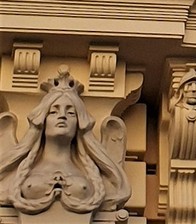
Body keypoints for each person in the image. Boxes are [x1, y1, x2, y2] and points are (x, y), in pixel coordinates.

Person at [0, 68, 129, 215]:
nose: (62, 116)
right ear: (42, 120)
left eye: (71, 113)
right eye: (54, 112)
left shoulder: (95, 172)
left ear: (79, 122)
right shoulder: (16, 168)